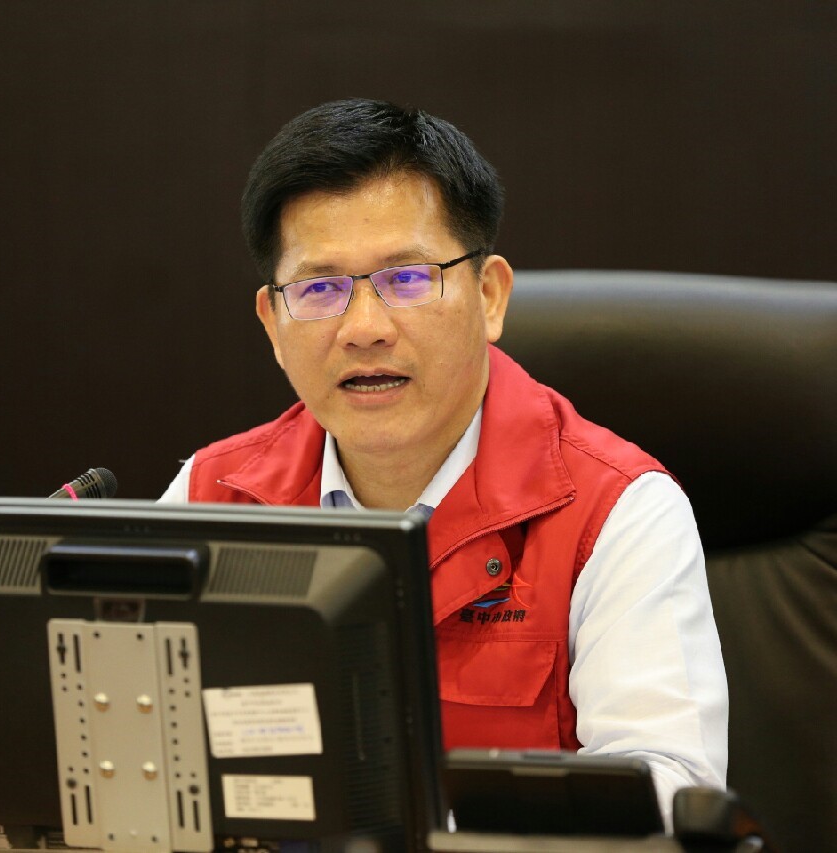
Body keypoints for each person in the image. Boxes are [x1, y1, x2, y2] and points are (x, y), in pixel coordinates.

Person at [159, 98, 727, 826]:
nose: (364, 329)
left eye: (407, 279)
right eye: (320, 289)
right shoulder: (210, 497)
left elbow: (667, 797)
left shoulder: (617, 512)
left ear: (489, 297)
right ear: (273, 323)